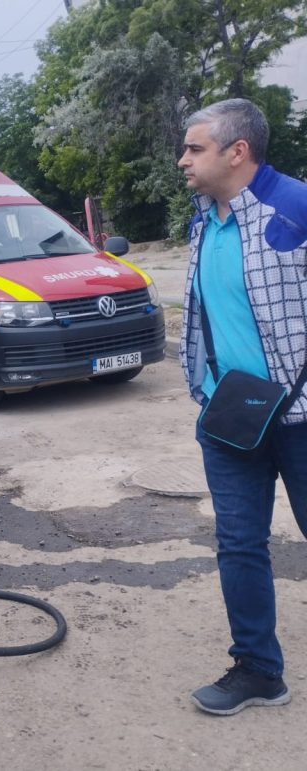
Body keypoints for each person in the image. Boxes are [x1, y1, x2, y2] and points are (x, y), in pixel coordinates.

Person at [177, 98, 307, 715]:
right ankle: (257, 670)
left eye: (194, 148)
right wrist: (202, 386)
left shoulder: (297, 209)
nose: (183, 160)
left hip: (304, 417)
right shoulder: (203, 221)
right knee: (238, 544)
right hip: (232, 416)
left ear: (238, 152)